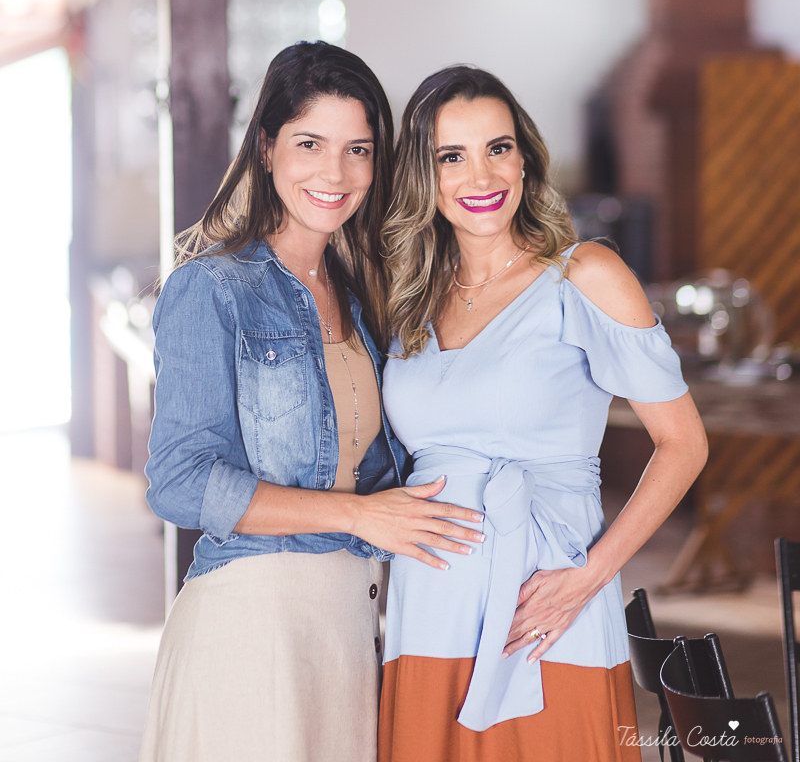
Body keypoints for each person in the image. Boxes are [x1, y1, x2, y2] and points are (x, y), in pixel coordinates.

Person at [139, 42, 485, 762]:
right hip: (250, 627)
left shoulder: (362, 298)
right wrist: (360, 515)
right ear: (266, 149)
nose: (336, 173)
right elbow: (179, 481)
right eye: (310, 143)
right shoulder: (212, 288)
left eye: (357, 149)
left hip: (348, 629)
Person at [378, 65, 708, 762]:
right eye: (451, 156)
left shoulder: (583, 275)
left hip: (547, 608)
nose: (480, 176)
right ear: (423, 177)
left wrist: (589, 578)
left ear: (524, 158)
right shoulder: (408, 301)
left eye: (497, 148)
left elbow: (683, 445)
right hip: (428, 607)